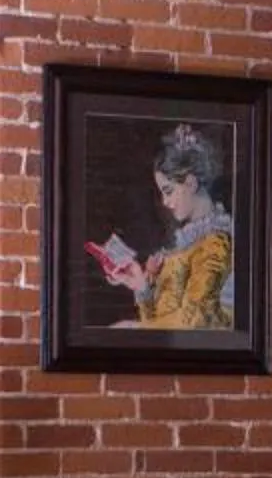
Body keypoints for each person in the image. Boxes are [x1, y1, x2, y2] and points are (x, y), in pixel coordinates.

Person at [94, 124, 235, 330]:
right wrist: (141, 286)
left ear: (190, 183)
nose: (165, 201)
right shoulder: (186, 243)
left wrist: (135, 329)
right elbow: (159, 321)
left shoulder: (216, 243)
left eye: (168, 191)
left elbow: (194, 321)